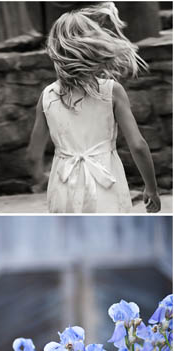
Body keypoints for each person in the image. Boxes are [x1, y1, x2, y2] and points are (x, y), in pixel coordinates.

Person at [27, 2, 160, 213]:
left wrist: (40, 178)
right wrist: (151, 189)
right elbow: (138, 145)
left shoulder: (47, 97)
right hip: (107, 184)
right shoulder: (111, 91)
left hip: (63, 184)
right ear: (93, 45)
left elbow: (34, 155)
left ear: (56, 50)